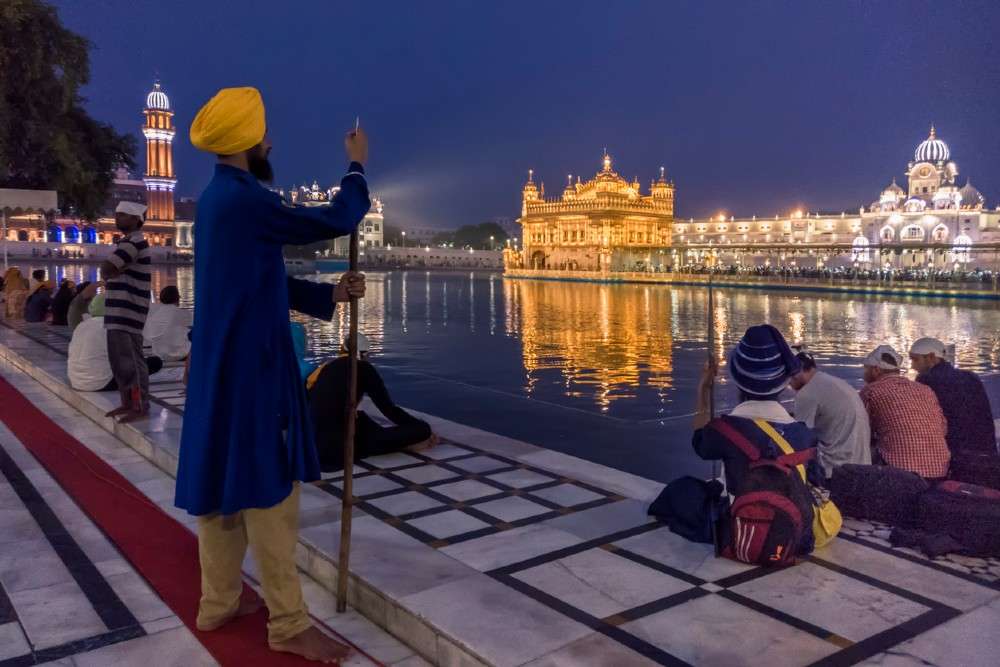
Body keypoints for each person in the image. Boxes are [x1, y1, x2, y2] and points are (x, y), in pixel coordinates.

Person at [176, 86, 369, 663]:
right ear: (249, 142)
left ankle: (219, 602)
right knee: (269, 490)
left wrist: (329, 292)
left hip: (222, 363)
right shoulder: (244, 200)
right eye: (264, 134)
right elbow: (335, 217)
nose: (270, 142)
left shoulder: (218, 200)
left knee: (223, 484)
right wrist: (356, 164)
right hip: (251, 369)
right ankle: (288, 624)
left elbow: (260, 280)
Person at [693, 324, 823, 496]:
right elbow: (816, 480)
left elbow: (699, 441)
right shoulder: (805, 436)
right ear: (784, 383)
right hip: (790, 522)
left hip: (743, 522)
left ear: (738, 380)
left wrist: (704, 388)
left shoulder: (724, 431)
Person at [307, 332, 436, 472]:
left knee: (361, 418)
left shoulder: (327, 367)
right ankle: (406, 443)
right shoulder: (364, 368)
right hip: (338, 449)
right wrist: (416, 426)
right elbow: (389, 410)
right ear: (365, 353)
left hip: (314, 442)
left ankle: (396, 442)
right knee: (423, 429)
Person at [860, 345, 950, 480]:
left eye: (866, 369)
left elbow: (861, 431)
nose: (864, 373)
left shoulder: (871, 391)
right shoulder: (925, 389)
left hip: (901, 473)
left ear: (876, 370)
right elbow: (943, 428)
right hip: (940, 470)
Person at [100, 201, 153, 423]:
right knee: (120, 361)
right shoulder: (127, 243)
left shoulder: (135, 242)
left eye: (122, 215)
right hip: (119, 311)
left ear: (135, 220)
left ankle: (140, 406)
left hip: (128, 311)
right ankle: (127, 403)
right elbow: (109, 269)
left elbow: (106, 269)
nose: (117, 218)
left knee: (130, 360)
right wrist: (112, 270)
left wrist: (112, 271)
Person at [790, 350, 871, 478]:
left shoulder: (806, 393)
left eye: (789, 378)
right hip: (863, 461)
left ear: (796, 373)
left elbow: (800, 438)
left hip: (836, 467)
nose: (789, 383)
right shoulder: (835, 382)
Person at [909, 337, 997, 454]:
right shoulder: (971, 376)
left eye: (915, 360)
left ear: (931, 357)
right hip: (986, 449)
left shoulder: (926, 380)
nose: (912, 366)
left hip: (956, 453)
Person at [68, 315, 163, 392]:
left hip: (76, 380)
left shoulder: (84, 324)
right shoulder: (113, 327)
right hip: (101, 383)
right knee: (155, 362)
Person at [143, 285, 192, 361]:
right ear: (177, 298)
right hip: (180, 355)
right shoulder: (183, 314)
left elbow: (147, 335)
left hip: (159, 354)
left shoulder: (155, 315)